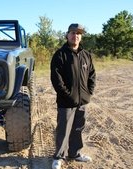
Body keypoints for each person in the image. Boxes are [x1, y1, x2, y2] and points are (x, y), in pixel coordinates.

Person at [50, 23, 96, 169]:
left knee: (78, 129)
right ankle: (58, 157)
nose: (75, 35)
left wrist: (89, 93)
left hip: (82, 101)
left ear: (81, 36)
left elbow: (92, 76)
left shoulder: (86, 55)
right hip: (66, 102)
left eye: (78, 33)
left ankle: (75, 154)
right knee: (63, 130)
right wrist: (67, 95)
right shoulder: (60, 54)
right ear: (67, 35)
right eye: (72, 33)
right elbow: (56, 79)